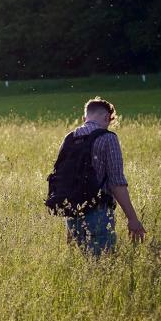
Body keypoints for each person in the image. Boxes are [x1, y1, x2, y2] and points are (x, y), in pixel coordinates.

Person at [49, 97, 146, 256]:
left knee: (81, 270)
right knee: (104, 269)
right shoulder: (108, 138)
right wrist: (132, 219)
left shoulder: (69, 138)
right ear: (107, 118)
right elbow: (116, 183)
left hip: (71, 215)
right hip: (98, 213)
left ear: (84, 118)